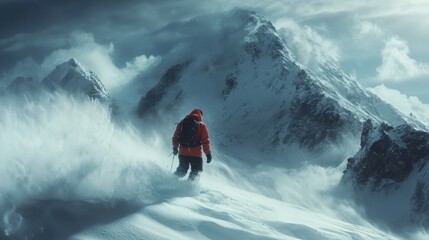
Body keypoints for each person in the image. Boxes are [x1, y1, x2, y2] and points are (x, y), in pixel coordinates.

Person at [172, 109, 212, 181]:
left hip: (183, 153)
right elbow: (205, 141)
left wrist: (175, 148)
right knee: (195, 172)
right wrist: (208, 154)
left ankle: (169, 181)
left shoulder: (182, 123)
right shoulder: (201, 125)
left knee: (182, 171)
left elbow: (175, 137)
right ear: (200, 115)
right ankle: (189, 189)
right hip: (196, 155)